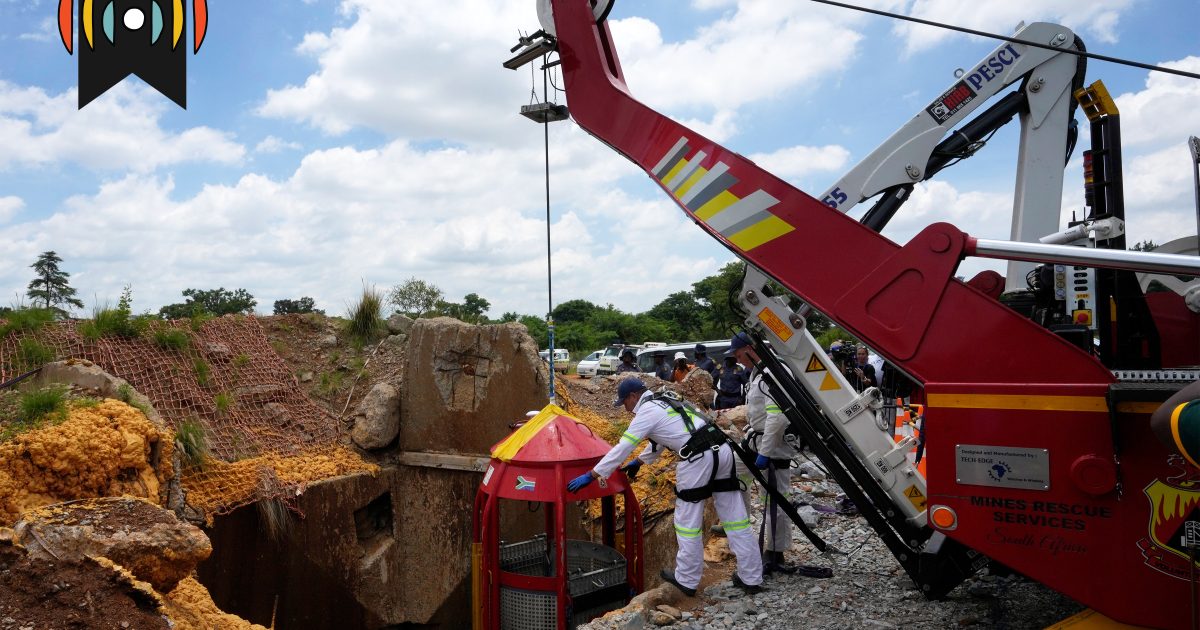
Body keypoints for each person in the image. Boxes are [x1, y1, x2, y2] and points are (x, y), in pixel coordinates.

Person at [567, 378, 765, 596]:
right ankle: (752, 577)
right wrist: (640, 462)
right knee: (735, 517)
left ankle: (687, 581)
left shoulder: (646, 410)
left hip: (698, 458)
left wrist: (593, 474)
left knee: (687, 521)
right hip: (723, 451)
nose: (625, 408)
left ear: (633, 396)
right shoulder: (666, 399)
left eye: (624, 402)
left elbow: (624, 445)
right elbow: (667, 435)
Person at [729, 332, 798, 575]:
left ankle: (776, 552)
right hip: (756, 440)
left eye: (739, 355)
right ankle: (741, 529)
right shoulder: (758, 373)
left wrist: (765, 453)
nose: (739, 361)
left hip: (773, 444)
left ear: (750, 348)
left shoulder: (772, 373)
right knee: (734, 477)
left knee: (777, 499)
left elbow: (777, 418)